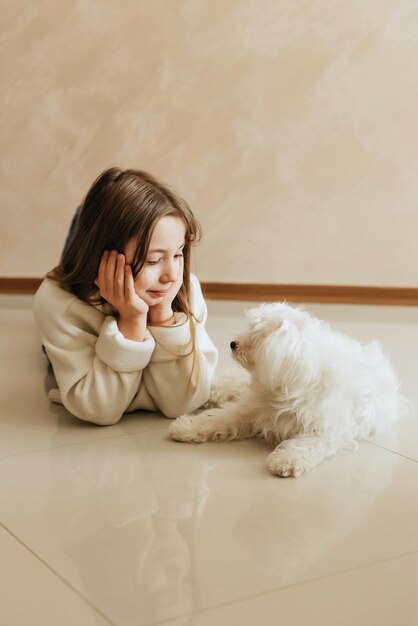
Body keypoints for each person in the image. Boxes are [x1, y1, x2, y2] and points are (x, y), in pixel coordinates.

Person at [33, 167, 218, 425]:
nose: (172, 275)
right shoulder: (57, 302)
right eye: (153, 260)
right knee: (81, 246)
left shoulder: (182, 285)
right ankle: (84, 215)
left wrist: (162, 315)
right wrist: (131, 321)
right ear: (105, 259)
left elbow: (184, 402)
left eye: (179, 254)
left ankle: (88, 215)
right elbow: (99, 409)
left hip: (111, 252)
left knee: (98, 223)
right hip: (87, 291)